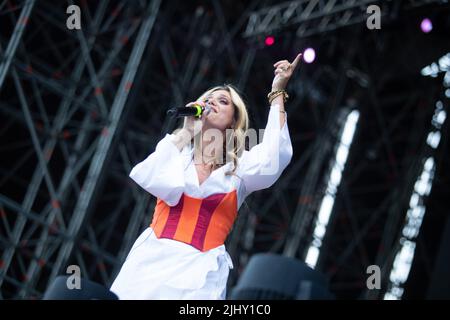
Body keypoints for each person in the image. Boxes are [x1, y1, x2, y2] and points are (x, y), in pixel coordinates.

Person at [110, 53, 302, 299]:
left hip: (200, 274)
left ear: (233, 121)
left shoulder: (238, 171)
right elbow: (149, 176)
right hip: (150, 264)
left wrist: (277, 92)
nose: (212, 103)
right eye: (208, 99)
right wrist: (186, 131)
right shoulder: (178, 156)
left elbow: (276, 155)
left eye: (222, 101)